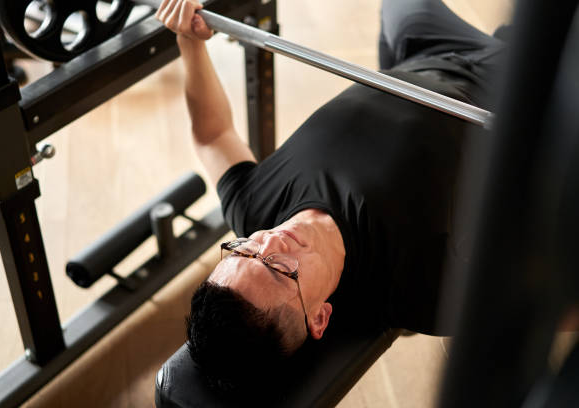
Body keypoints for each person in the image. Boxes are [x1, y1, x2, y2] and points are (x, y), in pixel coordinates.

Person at [155, 0, 506, 393]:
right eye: (278, 268)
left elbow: (212, 136)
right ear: (320, 318)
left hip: (420, 55)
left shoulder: (255, 208)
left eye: (242, 251)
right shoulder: (417, 289)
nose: (268, 239)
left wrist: (189, 41)